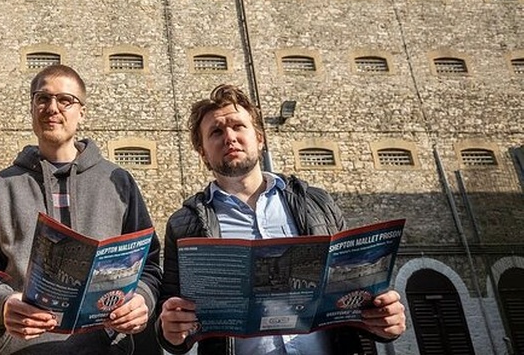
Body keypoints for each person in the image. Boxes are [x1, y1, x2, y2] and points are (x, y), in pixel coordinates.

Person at [158, 85, 407, 354]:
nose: (229, 137)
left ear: (260, 139)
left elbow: (355, 283)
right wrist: (169, 332)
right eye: (216, 132)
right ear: (204, 154)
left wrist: (384, 319)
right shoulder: (183, 225)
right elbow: (171, 317)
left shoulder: (317, 202)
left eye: (238, 126)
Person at [0, 64, 162, 355]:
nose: (52, 107)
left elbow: (150, 265)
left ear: (82, 112)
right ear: (31, 108)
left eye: (65, 100)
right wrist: (2, 305)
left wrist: (142, 298)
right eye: (42, 98)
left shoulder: (118, 183)